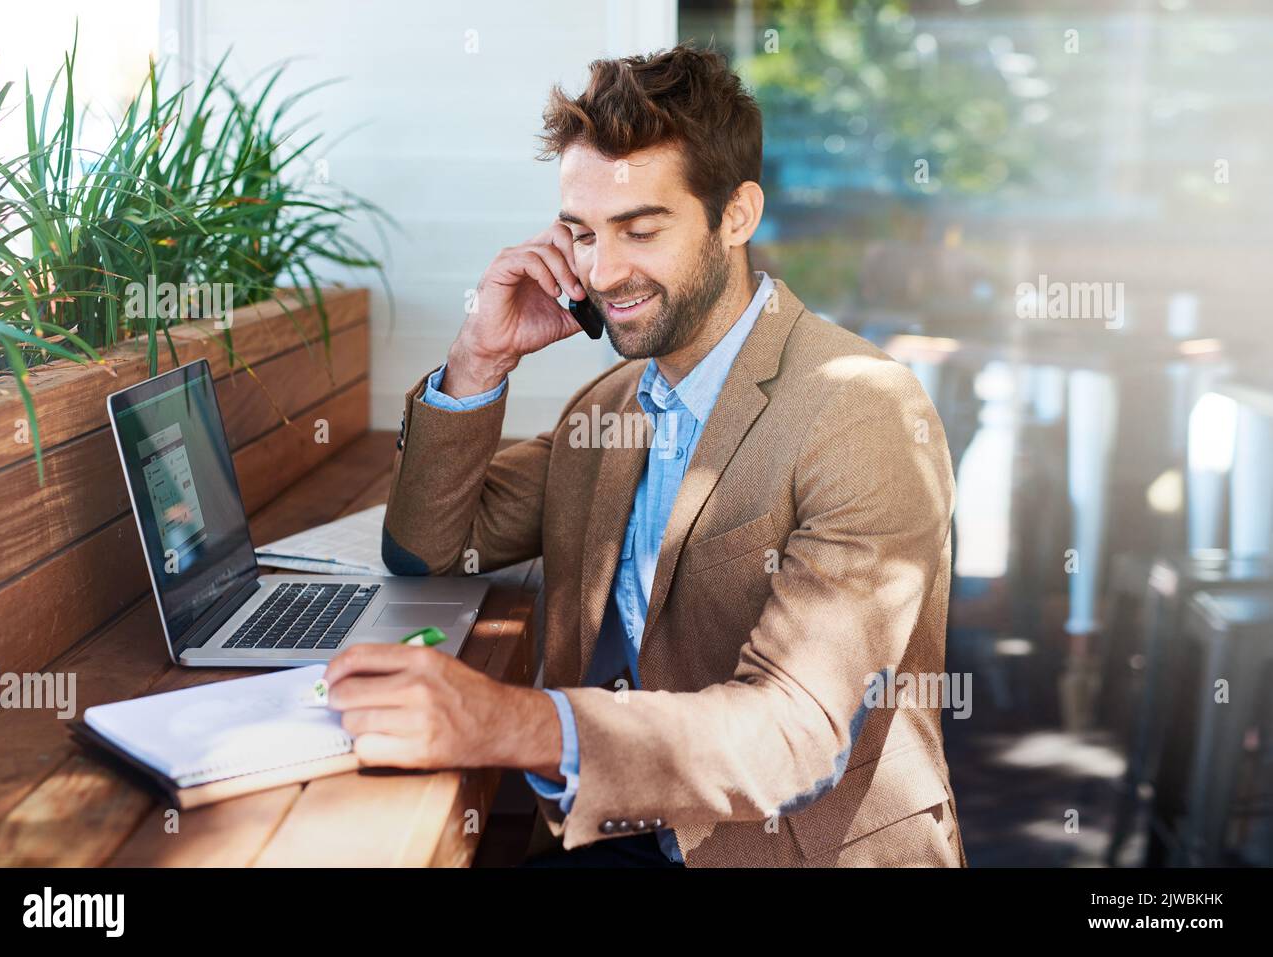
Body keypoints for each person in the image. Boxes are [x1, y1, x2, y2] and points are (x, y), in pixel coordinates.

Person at [322, 43, 965, 868]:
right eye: (581, 233)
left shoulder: (861, 409)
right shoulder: (610, 410)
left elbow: (794, 733)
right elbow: (427, 547)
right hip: (616, 820)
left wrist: (506, 720)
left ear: (736, 215)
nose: (602, 270)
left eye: (640, 229)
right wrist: (479, 356)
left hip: (783, 845)